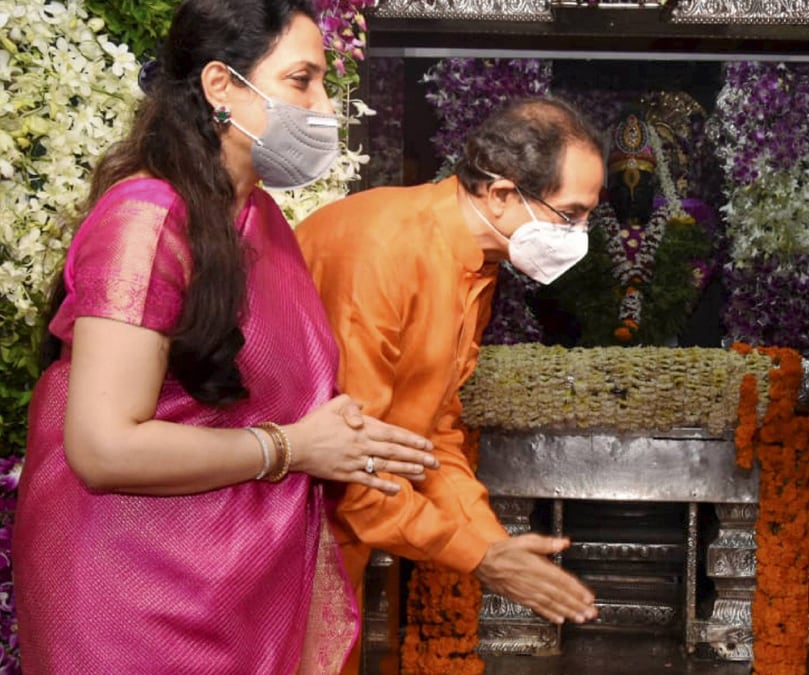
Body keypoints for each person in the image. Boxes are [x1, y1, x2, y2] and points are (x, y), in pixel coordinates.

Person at [13, 1, 439, 672]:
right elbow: (101, 446)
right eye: (303, 81)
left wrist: (343, 435)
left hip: (237, 589)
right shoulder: (145, 219)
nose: (324, 105)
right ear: (220, 86)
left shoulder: (262, 219)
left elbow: (270, 387)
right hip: (134, 604)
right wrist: (293, 445)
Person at [296, 96, 603, 672]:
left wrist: (494, 544)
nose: (581, 236)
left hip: (338, 540)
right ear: (503, 194)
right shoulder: (383, 249)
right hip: (282, 526)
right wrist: (479, 556)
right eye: (570, 215)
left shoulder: (475, 266)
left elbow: (433, 432)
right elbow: (349, 459)